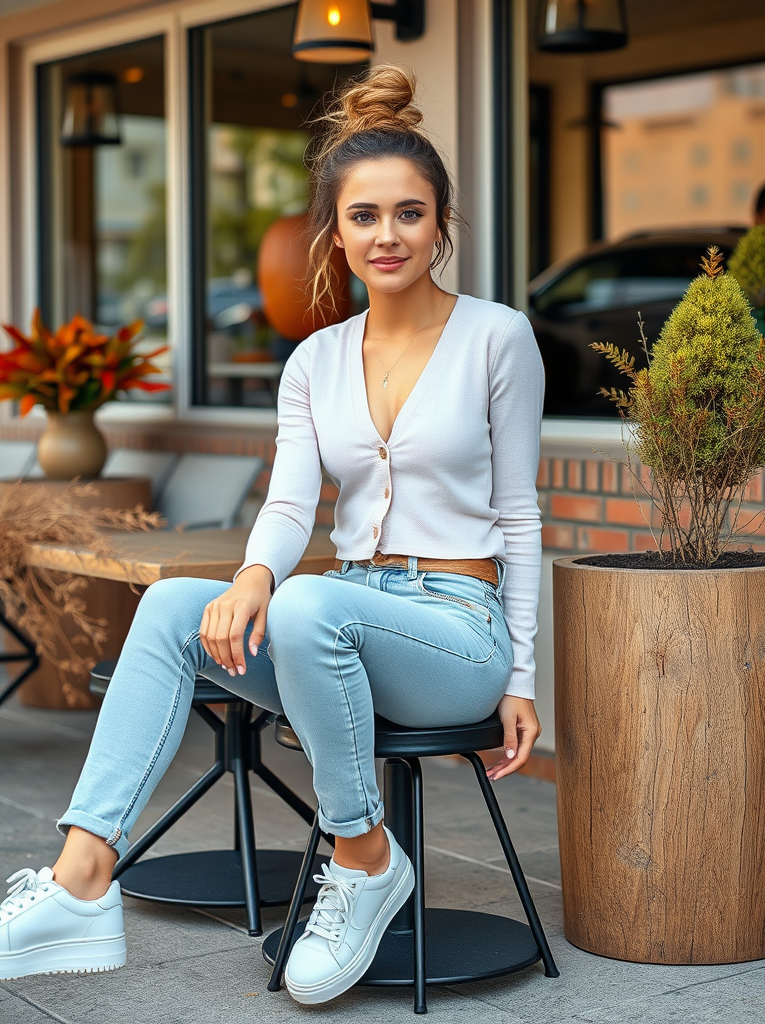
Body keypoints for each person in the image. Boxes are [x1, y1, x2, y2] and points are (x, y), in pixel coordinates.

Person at [0, 64, 545, 1004]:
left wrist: (525, 676)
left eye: (409, 213)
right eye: (365, 216)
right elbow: (292, 505)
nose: (388, 235)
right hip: (338, 620)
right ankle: (83, 879)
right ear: (335, 229)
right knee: (176, 605)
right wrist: (252, 577)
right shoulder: (315, 360)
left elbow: (521, 514)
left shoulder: (499, 337)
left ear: (442, 225)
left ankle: (364, 858)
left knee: (307, 608)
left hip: (457, 631)